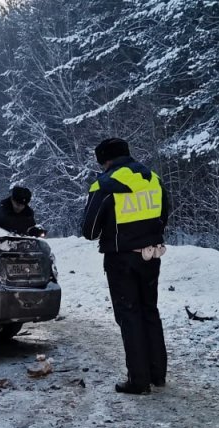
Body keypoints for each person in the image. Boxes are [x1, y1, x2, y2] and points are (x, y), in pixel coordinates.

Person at [81, 137, 172, 395]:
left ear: (105, 160)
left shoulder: (105, 184)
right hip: (152, 255)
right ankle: (157, 374)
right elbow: (164, 214)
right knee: (149, 311)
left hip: (121, 259)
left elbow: (89, 230)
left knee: (129, 316)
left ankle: (138, 381)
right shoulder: (153, 178)